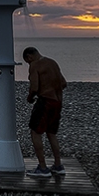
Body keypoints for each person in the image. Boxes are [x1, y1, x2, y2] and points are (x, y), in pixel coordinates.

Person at [22, 46, 67, 178]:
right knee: (51, 133)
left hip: (45, 102)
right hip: (57, 102)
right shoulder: (52, 62)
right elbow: (63, 83)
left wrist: (30, 98)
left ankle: (42, 167)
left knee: (35, 132)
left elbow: (34, 87)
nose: (29, 64)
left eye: (27, 62)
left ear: (29, 57)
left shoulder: (35, 65)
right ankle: (58, 165)